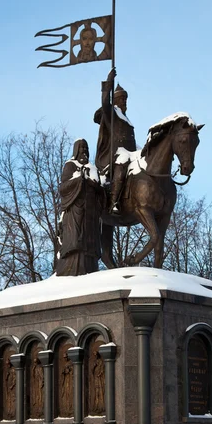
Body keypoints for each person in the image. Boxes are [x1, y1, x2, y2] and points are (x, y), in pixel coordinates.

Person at [56, 139, 103, 276]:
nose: (84, 150)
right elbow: (63, 189)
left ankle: (90, 268)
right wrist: (79, 179)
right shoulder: (70, 166)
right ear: (76, 150)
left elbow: (100, 191)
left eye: (86, 147)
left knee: (90, 245)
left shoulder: (93, 169)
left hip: (91, 213)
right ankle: (71, 270)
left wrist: (94, 185)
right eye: (81, 147)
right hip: (76, 210)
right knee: (76, 241)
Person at [94, 67, 137, 213]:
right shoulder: (112, 114)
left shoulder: (127, 120)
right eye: (122, 99)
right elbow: (105, 103)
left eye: (125, 99)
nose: (125, 101)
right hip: (116, 155)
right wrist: (109, 82)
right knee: (121, 166)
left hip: (132, 154)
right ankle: (114, 202)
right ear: (116, 100)